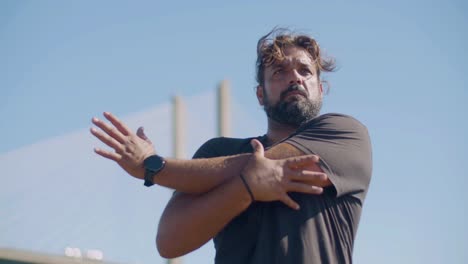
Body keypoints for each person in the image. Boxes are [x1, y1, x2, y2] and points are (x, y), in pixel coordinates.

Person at [90, 28, 372, 264]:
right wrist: (245, 188)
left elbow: (260, 165)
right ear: (260, 95)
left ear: (321, 89)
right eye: (279, 72)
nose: (295, 77)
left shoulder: (345, 134)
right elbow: (169, 242)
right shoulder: (217, 151)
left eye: (305, 71)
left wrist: (153, 166)